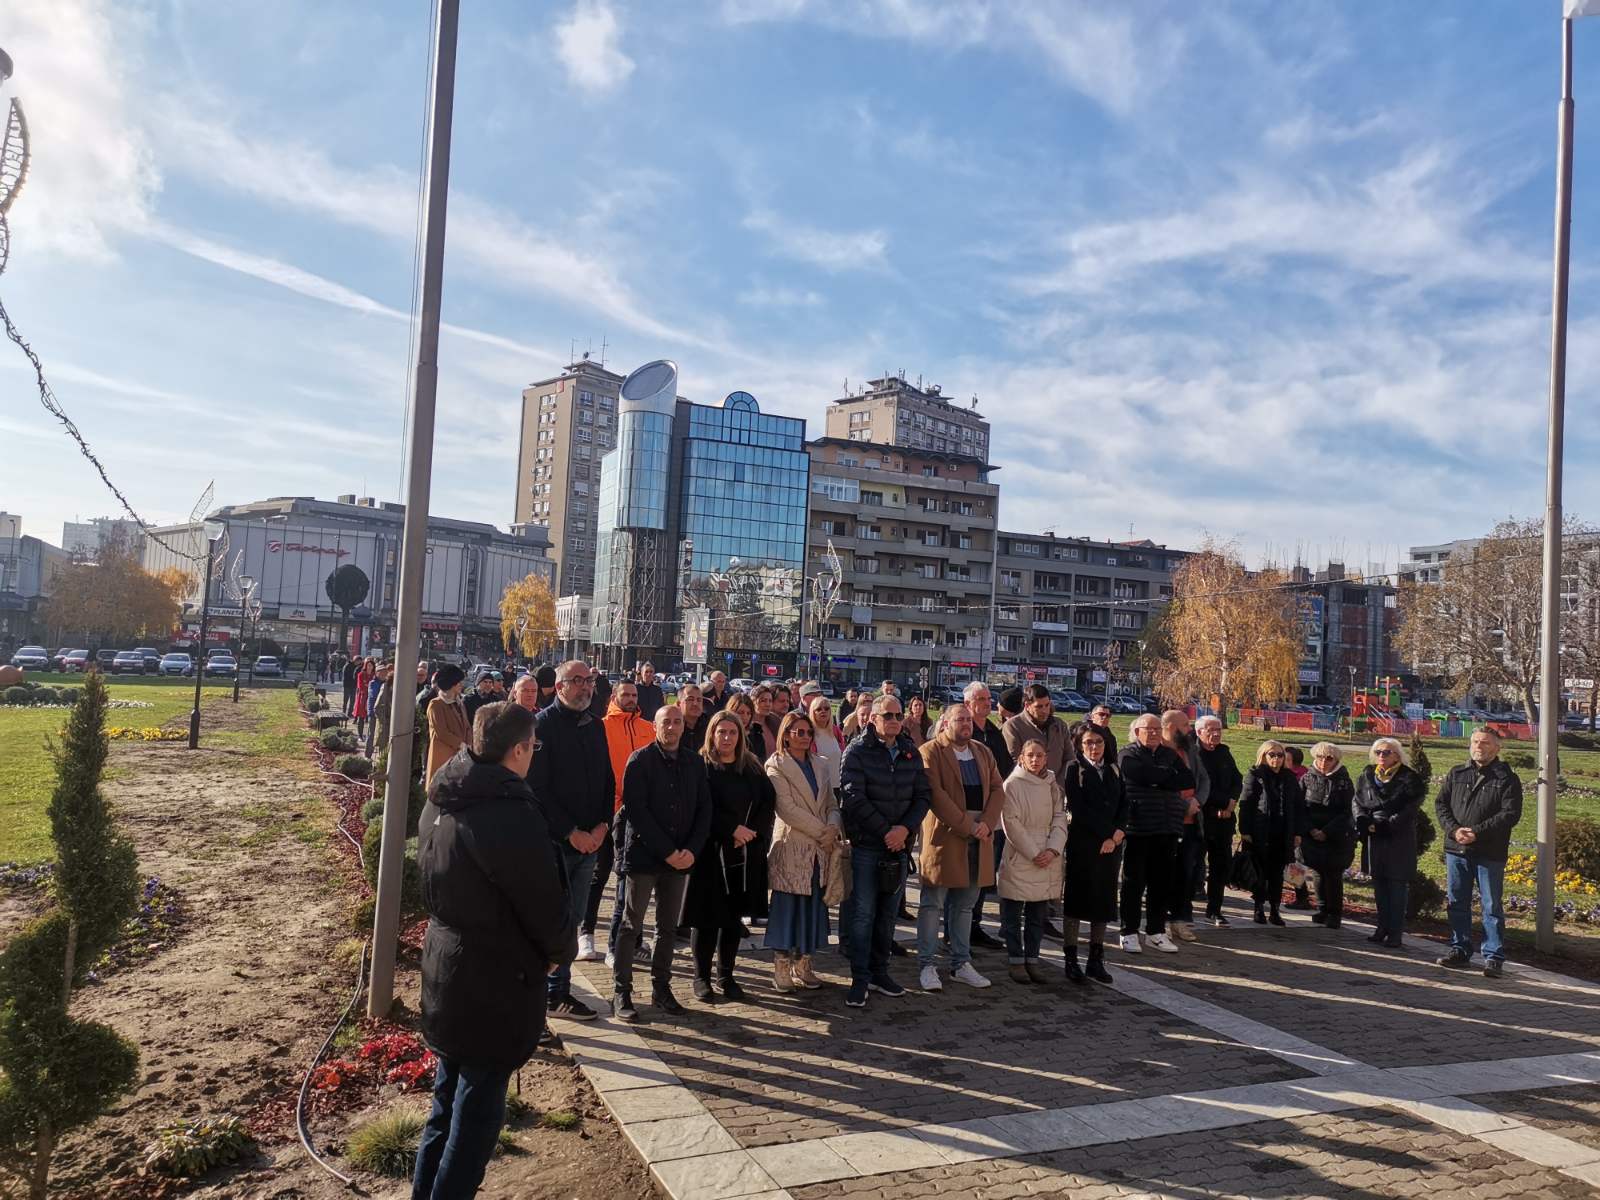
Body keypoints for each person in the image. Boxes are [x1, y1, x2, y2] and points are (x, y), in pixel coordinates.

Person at [413, 702, 572, 1200]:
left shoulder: (443, 795)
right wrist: (556, 951)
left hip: (446, 965)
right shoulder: (507, 811)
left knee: (445, 1104)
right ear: (520, 750)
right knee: (475, 1118)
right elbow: (541, 898)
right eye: (533, 747)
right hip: (494, 979)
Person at [612, 705, 713, 1021]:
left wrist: (692, 850)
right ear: (655, 726)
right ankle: (622, 991)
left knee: (667, 928)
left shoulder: (694, 762)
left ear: (683, 726)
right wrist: (667, 851)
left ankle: (661, 988)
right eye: (665, 722)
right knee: (631, 925)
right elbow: (636, 811)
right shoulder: (640, 761)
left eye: (677, 722)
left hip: (681, 859)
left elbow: (704, 809)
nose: (671, 727)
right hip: (645, 857)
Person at [529, 661, 613, 1022]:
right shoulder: (542, 726)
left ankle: (559, 992)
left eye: (589, 680)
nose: (585, 687)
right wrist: (571, 832)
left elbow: (607, 779)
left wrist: (603, 825)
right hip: (557, 844)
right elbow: (538, 789)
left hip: (591, 841)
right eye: (577, 681)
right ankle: (550, 994)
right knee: (554, 922)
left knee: (574, 919)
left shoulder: (595, 724)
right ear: (560, 686)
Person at [838, 695, 931, 1008]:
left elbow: (922, 796)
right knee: (863, 914)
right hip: (868, 845)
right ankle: (860, 978)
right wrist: (886, 831)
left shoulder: (909, 751)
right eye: (887, 715)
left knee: (887, 915)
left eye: (897, 715)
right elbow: (853, 798)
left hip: (898, 848)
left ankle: (880, 972)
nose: (893, 720)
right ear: (872, 718)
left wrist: (903, 830)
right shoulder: (857, 751)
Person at [915, 703, 1005, 992]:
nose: (966, 724)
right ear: (945, 723)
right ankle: (927, 964)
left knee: (965, 905)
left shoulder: (982, 751)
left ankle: (960, 963)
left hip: (980, 836)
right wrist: (968, 825)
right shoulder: (930, 751)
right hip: (946, 836)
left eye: (968, 719)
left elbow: (997, 788)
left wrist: (987, 823)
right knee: (933, 904)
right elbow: (936, 795)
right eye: (959, 719)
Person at [685, 710, 774, 1002]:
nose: (726, 737)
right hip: (710, 853)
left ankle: (726, 975)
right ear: (712, 734)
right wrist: (730, 829)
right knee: (707, 918)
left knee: (733, 918)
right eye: (721, 732)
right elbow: (700, 806)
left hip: (744, 852)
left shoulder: (751, 767)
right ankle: (701, 977)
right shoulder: (700, 766)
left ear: (740, 735)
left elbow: (767, 802)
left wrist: (750, 832)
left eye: (732, 732)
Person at [1435, 728, 1523, 978]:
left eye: (1485, 743)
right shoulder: (1457, 773)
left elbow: (1509, 814)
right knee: (1457, 902)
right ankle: (1459, 950)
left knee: (1491, 905)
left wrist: (1477, 832)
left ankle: (1493, 957)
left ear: (1497, 748)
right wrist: (1454, 830)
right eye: (1475, 741)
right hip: (1457, 849)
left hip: (1489, 852)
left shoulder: (1507, 778)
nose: (1478, 746)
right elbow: (1441, 804)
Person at [766, 710, 841, 992]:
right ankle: (781, 965)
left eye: (809, 732)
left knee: (813, 907)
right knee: (788, 907)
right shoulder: (776, 765)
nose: (805, 737)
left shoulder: (820, 764)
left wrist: (833, 825)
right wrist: (824, 831)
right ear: (786, 735)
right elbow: (787, 809)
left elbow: (832, 802)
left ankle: (804, 962)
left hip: (820, 849)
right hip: (792, 846)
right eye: (799, 732)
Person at [583, 681, 653, 963]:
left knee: (634, 878)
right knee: (600, 874)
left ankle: (634, 938)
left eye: (634, 695)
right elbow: (597, 770)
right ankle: (586, 932)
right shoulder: (601, 727)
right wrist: (612, 804)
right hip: (609, 811)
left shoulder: (648, 727)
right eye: (626, 694)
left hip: (640, 814)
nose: (631, 699)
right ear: (614, 697)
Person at [1116, 713, 1193, 954]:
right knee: (1134, 883)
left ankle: (1155, 931)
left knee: (1161, 883)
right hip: (1138, 828)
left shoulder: (1169, 754)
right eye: (1148, 729)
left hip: (1167, 827)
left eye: (1157, 729)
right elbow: (1141, 775)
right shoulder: (1127, 754)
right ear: (1136, 731)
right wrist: (1164, 776)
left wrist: (1158, 777)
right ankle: (1129, 932)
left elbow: (1186, 779)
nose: (1153, 733)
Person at [999, 738, 1069, 985]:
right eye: (1030, 755)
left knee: (1037, 916)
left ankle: (1033, 958)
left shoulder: (1051, 784)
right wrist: (1033, 852)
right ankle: (1015, 960)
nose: (1035, 760)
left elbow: (1060, 817)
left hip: (1047, 853)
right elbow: (1011, 822)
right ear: (1021, 757)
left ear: (1046, 758)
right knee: (1012, 913)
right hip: (1022, 853)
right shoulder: (1012, 784)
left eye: (1039, 755)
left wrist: (1053, 849)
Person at [1061, 722, 1126, 983]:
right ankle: (1071, 959)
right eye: (1088, 742)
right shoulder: (1074, 769)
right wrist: (1107, 834)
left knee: (1103, 901)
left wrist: (1119, 832)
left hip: (1111, 846)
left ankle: (1095, 959)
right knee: (1077, 901)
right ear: (1079, 745)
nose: (1094, 747)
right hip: (1085, 844)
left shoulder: (1113, 769)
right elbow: (1079, 808)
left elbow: (1125, 803)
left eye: (1099, 742)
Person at [1354, 737, 1426, 949]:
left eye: (1386, 752)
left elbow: (1410, 809)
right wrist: (1363, 820)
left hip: (1398, 837)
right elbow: (1357, 801)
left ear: (1397, 755)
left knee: (1396, 885)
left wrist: (1387, 825)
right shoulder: (1368, 775)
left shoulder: (1409, 779)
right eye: (1378, 752)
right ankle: (1381, 927)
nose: (1381, 756)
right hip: (1373, 835)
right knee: (1379, 884)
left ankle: (1395, 932)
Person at [963, 682, 1014, 948]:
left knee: (984, 872)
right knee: (963, 875)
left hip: (990, 813)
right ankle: (957, 929)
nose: (987, 703)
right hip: (965, 813)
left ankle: (975, 924)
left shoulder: (994, 733)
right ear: (968, 703)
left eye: (988, 698)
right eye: (981, 699)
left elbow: (1004, 770)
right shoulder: (961, 729)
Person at [1239, 740, 1304, 926]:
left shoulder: (1289, 777)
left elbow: (1298, 807)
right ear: (1264, 756)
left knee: (1277, 874)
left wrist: (1298, 832)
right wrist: (1245, 830)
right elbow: (1246, 804)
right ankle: (1258, 908)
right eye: (1272, 754)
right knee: (1260, 873)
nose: (1276, 758)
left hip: (1283, 833)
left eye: (1280, 755)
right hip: (1260, 832)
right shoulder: (1255, 775)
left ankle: (1275, 910)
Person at [1162, 709, 1207, 943]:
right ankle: (1161, 923)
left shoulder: (1190, 750)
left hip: (1192, 823)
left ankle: (1180, 921)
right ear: (1171, 726)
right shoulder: (1158, 751)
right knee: (1164, 875)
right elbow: (1158, 788)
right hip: (1166, 823)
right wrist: (1183, 806)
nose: (1190, 730)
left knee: (1185, 874)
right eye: (1186, 725)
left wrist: (1197, 801)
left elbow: (1204, 779)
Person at [1194, 716, 1243, 927]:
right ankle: (1182, 909)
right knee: (1192, 865)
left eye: (1219, 730)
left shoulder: (1224, 752)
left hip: (1224, 820)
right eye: (1211, 730)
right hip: (1201, 818)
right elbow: (1198, 786)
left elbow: (1237, 779)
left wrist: (1231, 802)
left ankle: (1214, 910)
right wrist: (1220, 806)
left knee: (1221, 866)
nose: (1216, 734)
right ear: (1199, 732)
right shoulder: (1193, 754)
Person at [1300, 741, 1356, 929]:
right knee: (1317, 873)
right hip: (1312, 834)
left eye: (1329, 758)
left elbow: (1348, 811)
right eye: (1320, 757)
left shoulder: (1344, 782)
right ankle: (1322, 909)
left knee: (1333, 875)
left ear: (1336, 760)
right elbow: (1299, 807)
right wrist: (1311, 829)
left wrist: (1327, 831)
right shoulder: (1307, 778)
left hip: (1335, 837)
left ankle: (1334, 913)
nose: (1324, 761)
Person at [1002, 685, 1070, 777]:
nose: (1044, 711)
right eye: (1039, 707)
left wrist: (1059, 782)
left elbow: (1069, 758)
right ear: (1027, 705)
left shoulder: (1060, 725)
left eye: (1047, 705)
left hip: (1058, 783)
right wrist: (1038, 782)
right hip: (1027, 783)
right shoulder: (1012, 726)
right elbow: (1016, 762)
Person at [425, 665, 470, 787]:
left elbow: (467, 726)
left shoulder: (460, 703)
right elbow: (441, 732)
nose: (461, 685)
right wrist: (461, 744)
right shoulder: (436, 704)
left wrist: (469, 745)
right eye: (458, 682)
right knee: (440, 789)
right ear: (451, 684)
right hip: (443, 756)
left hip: (460, 757)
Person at [809, 693, 845, 793]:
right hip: (818, 787)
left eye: (826, 708)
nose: (823, 711)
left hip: (837, 785)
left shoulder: (835, 730)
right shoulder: (809, 732)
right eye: (818, 709)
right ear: (813, 712)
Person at [366, 661, 394, 758]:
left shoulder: (386, 683)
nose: (383, 674)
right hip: (373, 713)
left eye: (385, 672)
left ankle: (380, 756)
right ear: (376, 673)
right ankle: (368, 755)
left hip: (383, 713)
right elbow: (373, 695)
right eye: (381, 672)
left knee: (381, 735)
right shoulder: (373, 683)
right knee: (371, 734)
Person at [748, 686, 779, 761]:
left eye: (770, 701)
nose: (768, 704)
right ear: (753, 702)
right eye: (763, 701)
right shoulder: (747, 724)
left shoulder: (775, 721)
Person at [679, 682, 709, 753]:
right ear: (679, 703)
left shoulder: (710, 726)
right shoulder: (673, 726)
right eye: (690, 699)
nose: (695, 703)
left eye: (699, 700)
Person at [353, 657, 376, 739]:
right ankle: (360, 735)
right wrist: (369, 687)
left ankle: (370, 736)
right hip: (362, 697)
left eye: (371, 665)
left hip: (372, 697)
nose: (370, 667)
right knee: (361, 717)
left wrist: (368, 686)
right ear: (365, 666)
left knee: (371, 718)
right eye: (368, 665)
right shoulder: (361, 674)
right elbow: (361, 686)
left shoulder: (374, 675)